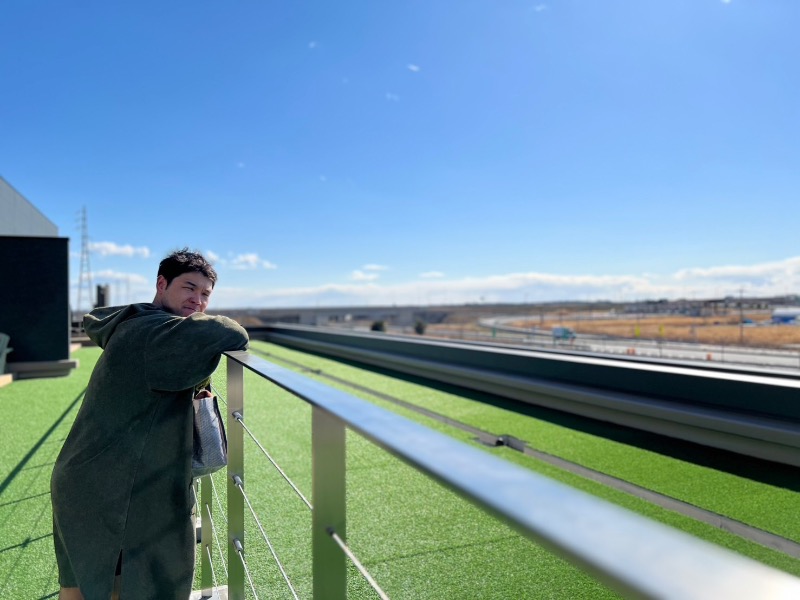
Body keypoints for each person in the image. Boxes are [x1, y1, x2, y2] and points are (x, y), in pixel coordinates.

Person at [51, 248, 249, 600]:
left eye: (205, 294)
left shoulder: (133, 324)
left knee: (80, 586)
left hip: (87, 481)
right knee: (114, 588)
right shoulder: (151, 333)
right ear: (161, 284)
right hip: (111, 493)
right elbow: (230, 333)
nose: (198, 300)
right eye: (189, 288)